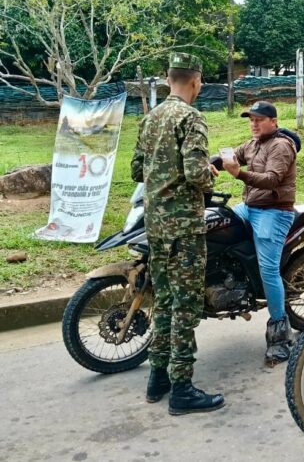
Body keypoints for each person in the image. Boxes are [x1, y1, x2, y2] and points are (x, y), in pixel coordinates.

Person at [131, 52, 224, 415]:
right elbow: (196, 174)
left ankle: (157, 377)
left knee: (165, 300)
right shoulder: (191, 117)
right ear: (196, 81)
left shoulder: (150, 118)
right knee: (185, 305)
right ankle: (182, 389)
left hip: (155, 224)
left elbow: (138, 169)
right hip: (184, 226)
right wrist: (209, 175)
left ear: (168, 78)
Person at [222, 100, 298, 368]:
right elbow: (232, 155)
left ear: (273, 122)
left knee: (268, 270)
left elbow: (271, 180)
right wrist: (211, 163)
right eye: (250, 119)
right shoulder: (253, 143)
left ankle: (279, 335)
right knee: (219, 226)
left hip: (274, 211)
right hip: (250, 207)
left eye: (259, 119)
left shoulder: (281, 145)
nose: (253, 124)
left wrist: (238, 174)